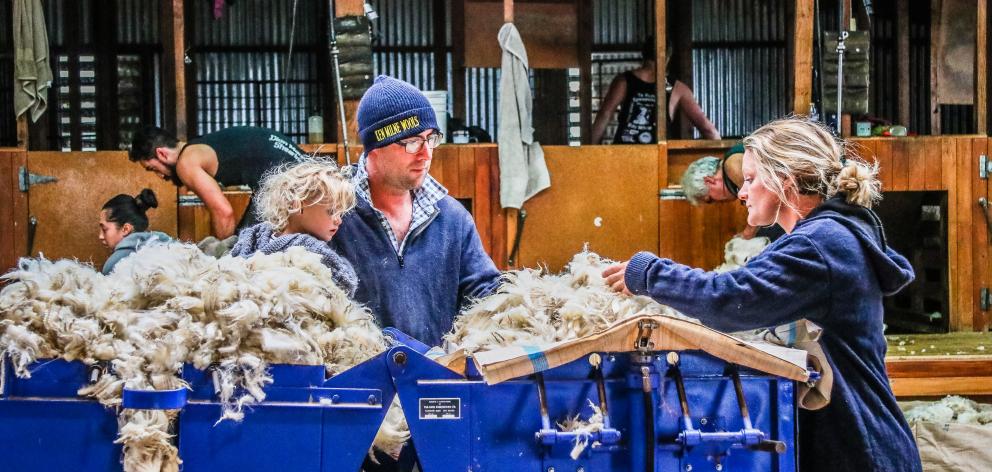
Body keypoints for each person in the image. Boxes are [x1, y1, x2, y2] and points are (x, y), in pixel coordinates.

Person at [603, 117, 921, 472]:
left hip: (862, 451)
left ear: (784, 181)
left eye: (751, 180)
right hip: (851, 444)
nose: (742, 192)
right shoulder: (820, 237)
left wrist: (648, 273)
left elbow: (730, 299)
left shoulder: (821, 245)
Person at [334, 74, 502, 471]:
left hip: (433, 403)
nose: (425, 153)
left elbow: (486, 295)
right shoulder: (332, 215)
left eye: (431, 139)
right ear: (375, 146)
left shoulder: (451, 218)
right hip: (359, 410)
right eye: (410, 142)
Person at [128, 126, 308, 239]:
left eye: (153, 169)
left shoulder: (186, 163)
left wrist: (221, 259)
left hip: (284, 180)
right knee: (247, 239)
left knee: (245, 247)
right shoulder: (198, 147)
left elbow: (224, 212)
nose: (160, 176)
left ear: (162, 154)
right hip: (301, 169)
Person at [229, 160, 358, 296]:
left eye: (340, 213)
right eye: (331, 211)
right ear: (297, 205)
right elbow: (346, 283)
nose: (339, 220)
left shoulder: (253, 240)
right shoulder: (315, 253)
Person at [591, 39, 720, 144]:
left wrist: (588, 154)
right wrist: (723, 159)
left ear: (643, 55)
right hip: (657, 159)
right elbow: (707, 129)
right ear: (668, 58)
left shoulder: (623, 81)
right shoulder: (678, 88)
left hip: (623, 157)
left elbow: (604, 115)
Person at [681, 144, 786, 240]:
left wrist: (749, 232)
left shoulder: (732, 165)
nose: (718, 203)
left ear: (709, 180)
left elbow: (762, 195)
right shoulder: (734, 179)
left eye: (710, 199)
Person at [99, 189, 171, 275]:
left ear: (126, 229)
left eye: (104, 229)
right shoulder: (170, 248)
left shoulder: (114, 265)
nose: (101, 236)